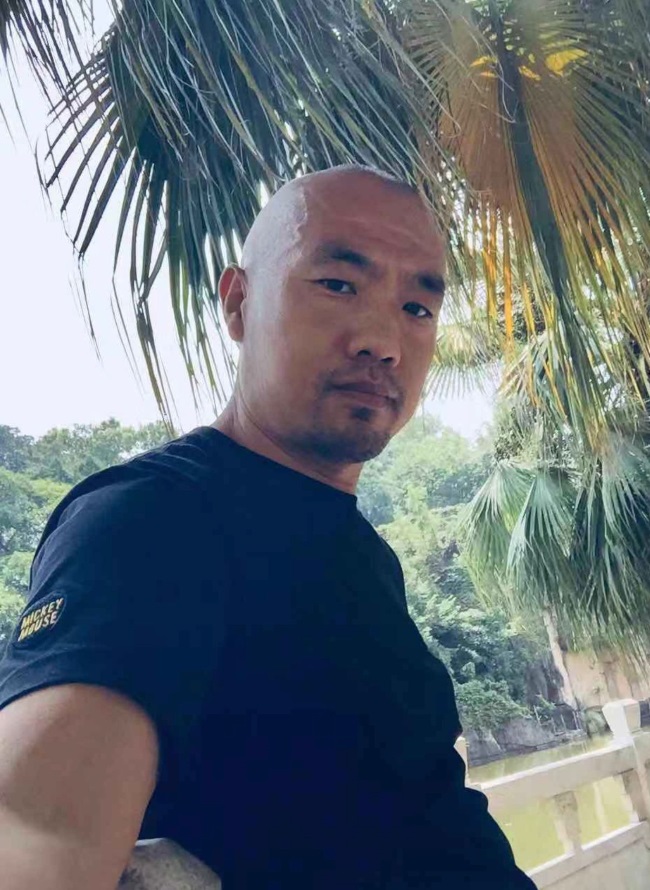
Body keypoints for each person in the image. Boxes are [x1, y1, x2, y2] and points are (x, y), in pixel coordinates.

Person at [0, 165, 535, 890]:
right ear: (238, 303)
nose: (383, 340)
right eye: (338, 284)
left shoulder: (362, 554)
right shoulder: (150, 523)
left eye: (417, 307)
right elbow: (35, 841)